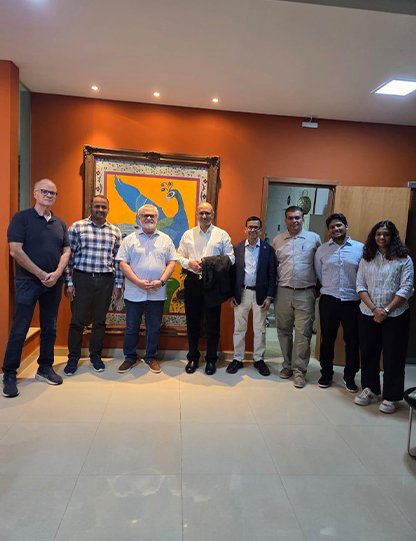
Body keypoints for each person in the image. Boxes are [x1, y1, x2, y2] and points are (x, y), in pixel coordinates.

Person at [2, 178, 70, 398]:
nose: (49, 195)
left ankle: (45, 367)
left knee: (50, 327)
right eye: (45, 191)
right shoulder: (21, 219)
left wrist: (57, 273)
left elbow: (66, 250)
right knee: (20, 327)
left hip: (53, 282)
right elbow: (15, 250)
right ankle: (9, 373)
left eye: (53, 193)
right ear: (35, 193)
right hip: (28, 282)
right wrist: (41, 274)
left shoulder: (60, 223)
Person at [354, 220, 414, 414]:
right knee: (368, 353)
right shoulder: (366, 258)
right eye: (378, 234)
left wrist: (386, 310)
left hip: (396, 315)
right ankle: (370, 389)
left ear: (393, 237)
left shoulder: (404, 259)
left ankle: (392, 396)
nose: (382, 237)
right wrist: (375, 309)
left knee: (393, 356)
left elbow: (406, 288)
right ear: (374, 236)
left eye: (386, 234)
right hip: (368, 313)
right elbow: (360, 286)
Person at [63, 195, 123, 375]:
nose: (100, 210)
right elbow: (68, 257)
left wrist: (118, 285)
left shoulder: (115, 231)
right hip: (82, 279)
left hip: (105, 280)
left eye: (104, 207)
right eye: (97, 206)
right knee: (77, 321)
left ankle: (95, 356)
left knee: (99, 321)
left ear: (108, 209)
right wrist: (69, 282)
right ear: (91, 207)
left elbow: (118, 260)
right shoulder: (77, 227)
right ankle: (73, 358)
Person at [116, 204, 177, 374]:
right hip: (134, 292)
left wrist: (161, 281)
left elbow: (172, 262)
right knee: (131, 327)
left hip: (157, 293)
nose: (149, 218)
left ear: (157, 218)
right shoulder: (129, 239)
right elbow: (122, 263)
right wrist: (137, 282)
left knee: (154, 327)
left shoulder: (166, 240)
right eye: (145, 215)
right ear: (139, 218)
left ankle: (150, 357)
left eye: (152, 216)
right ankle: (130, 357)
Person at [177, 202, 235, 375]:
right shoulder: (188, 234)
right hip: (193, 281)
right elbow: (178, 256)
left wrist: (210, 263)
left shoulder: (221, 234)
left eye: (207, 213)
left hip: (213, 283)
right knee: (192, 322)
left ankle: (211, 360)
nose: (204, 216)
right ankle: (193, 358)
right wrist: (189, 263)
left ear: (213, 214)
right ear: (196, 214)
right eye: (201, 213)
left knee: (212, 323)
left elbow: (231, 258)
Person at [272, 205, 321, 388]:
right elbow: (273, 267)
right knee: (283, 330)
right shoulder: (277, 240)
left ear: (302, 219)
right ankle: (287, 365)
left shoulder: (314, 239)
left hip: (305, 292)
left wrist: (319, 288)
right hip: (282, 291)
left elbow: (321, 264)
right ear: (286, 220)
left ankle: (299, 371)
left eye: (297, 217)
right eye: (290, 218)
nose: (294, 221)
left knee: (303, 333)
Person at [314, 213, 363, 391]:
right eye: (332, 227)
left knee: (352, 340)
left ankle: (350, 377)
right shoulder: (322, 250)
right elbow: (319, 273)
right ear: (329, 230)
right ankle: (326, 374)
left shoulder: (360, 249)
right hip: (329, 300)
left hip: (352, 301)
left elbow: (363, 274)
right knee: (327, 339)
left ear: (346, 226)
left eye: (339, 225)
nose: (336, 229)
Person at [227, 216, 277, 376]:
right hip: (241, 293)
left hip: (261, 295)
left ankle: (259, 359)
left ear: (260, 230)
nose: (253, 230)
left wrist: (270, 296)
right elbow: (231, 274)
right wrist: (231, 295)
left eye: (256, 227)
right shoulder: (237, 248)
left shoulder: (268, 250)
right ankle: (237, 359)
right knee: (239, 329)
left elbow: (272, 274)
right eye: (250, 227)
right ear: (245, 229)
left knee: (260, 329)